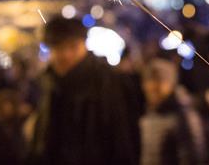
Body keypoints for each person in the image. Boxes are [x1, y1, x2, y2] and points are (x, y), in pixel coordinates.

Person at [27, 16, 138, 165]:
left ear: (83, 45)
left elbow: (122, 139)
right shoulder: (48, 83)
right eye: (59, 47)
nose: (66, 55)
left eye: (73, 46)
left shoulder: (107, 81)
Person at [139, 57, 209, 165]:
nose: (153, 86)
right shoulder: (150, 112)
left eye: (159, 80)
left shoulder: (183, 115)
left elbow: (191, 157)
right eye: (149, 80)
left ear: (170, 84)